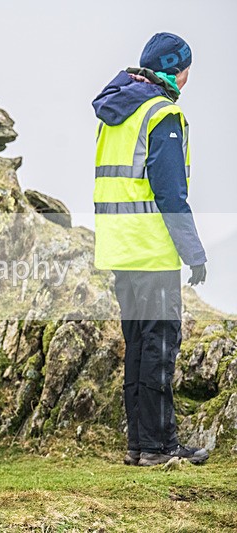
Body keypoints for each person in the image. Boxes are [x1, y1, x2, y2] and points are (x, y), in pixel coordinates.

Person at [92, 33, 208, 467]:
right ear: (174, 70)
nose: (187, 78)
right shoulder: (164, 114)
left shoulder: (116, 112)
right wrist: (193, 251)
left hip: (121, 249)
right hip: (153, 250)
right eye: (186, 70)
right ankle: (159, 448)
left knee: (138, 347)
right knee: (160, 347)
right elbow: (171, 194)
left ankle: (140, 446)